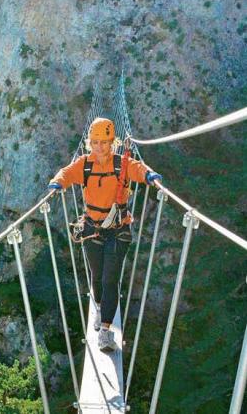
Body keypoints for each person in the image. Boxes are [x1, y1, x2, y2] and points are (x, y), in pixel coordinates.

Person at [47, 117, 162, 352]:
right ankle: (99, 307)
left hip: (118, 230)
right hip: (92, 229)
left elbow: (138, 169)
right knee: (97, 276)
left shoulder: (122, 163)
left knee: (110, 278)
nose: (100, 147)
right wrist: (57, 183)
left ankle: (107, 331)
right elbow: (67, 173)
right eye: (96, 142)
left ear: (113, 142)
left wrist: (149, 176)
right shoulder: (85, 164)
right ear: (90, 142)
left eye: (105, 142)